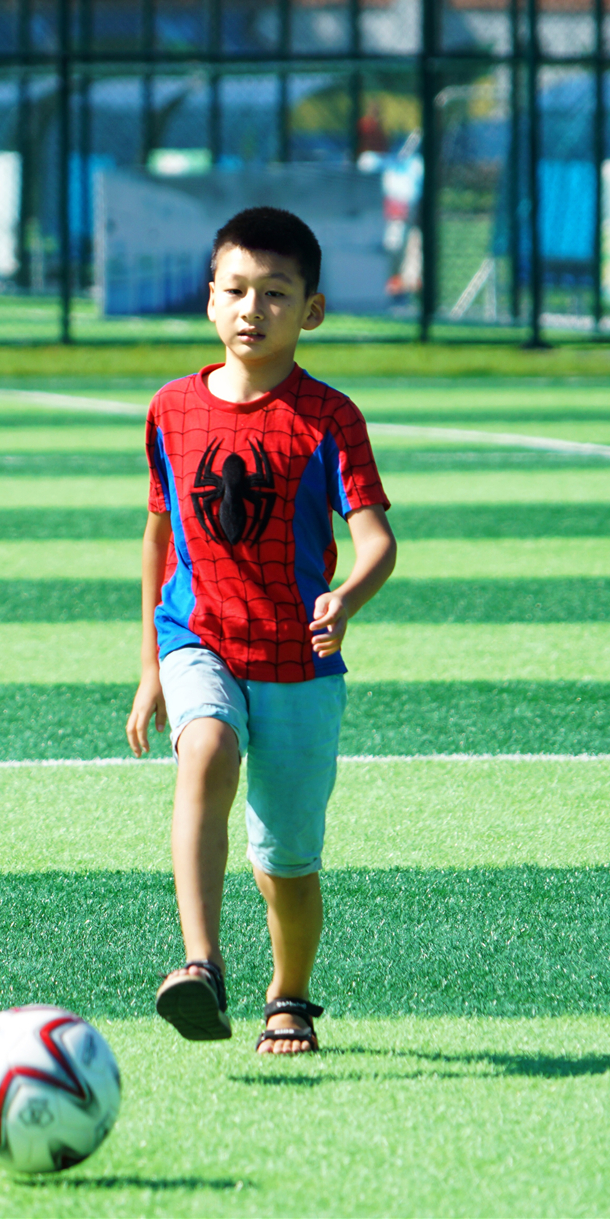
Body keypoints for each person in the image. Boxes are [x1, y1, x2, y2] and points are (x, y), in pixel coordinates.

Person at [125, 206, 399, 1057]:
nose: (254, 309)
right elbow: (159, 538)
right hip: (198, 636)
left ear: (311, 311)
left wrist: (347, 597)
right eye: (237, 290)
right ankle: (201, 966)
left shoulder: (329, 418)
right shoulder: (171, 409)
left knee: (287, 863)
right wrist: (151, 668)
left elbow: (378, 542)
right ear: (209, 299)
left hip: (298, 663)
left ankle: (289, 996)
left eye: (276, 293)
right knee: (205, 749)